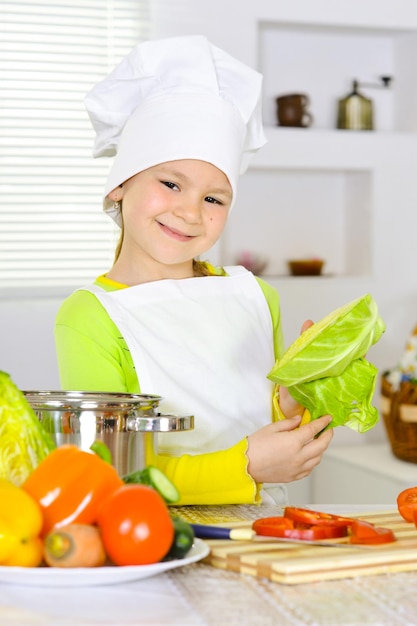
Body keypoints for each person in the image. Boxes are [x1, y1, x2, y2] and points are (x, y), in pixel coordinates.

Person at [55, 35, 333, 505]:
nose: (189, 212)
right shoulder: (90, 317)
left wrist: (296, 401)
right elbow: (112, 471)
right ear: (121, 184)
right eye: (170, 183)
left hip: (264, 528)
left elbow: (258, 418)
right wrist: (245, 466)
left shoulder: (255, 297)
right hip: (150, 539)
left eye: (213, 198)